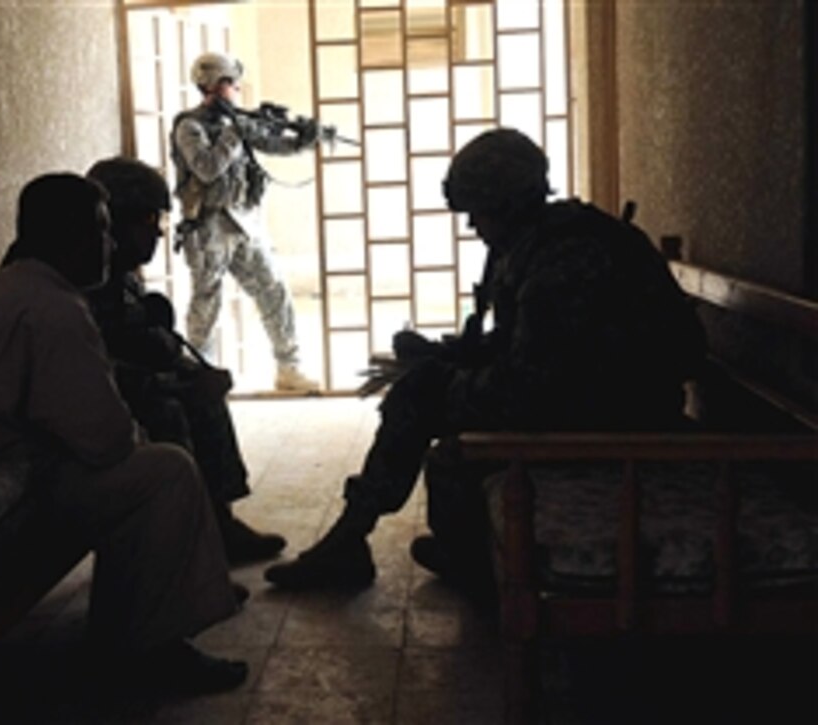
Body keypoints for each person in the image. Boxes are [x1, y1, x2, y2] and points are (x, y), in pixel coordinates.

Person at [265, 128, 707, 591]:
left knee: (422, 400)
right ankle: (424, 547)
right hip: (590, 397)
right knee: (430, 387)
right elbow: (529, 348)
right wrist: (447, 355)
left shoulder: (567, 258)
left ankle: (359, 543)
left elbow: (534, 382)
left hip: (618, 412)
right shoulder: (537, 240)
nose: (473, 225)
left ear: (508, 204)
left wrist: (442, 378)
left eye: (478, 212)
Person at [0, 173, 247, 698]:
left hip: (3, 465)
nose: (110, 244)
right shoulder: (54, 309)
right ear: (68, 235)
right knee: (164, 473)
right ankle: (150, 650)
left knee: (146, 464)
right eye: (102, 230)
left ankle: (129, 631)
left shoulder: (18, 286)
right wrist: (138, 436)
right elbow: (103, 438)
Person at [84, 156, 286, 565]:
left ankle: (218, 524)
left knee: (200, 386)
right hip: (93, 409)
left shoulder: (117, 272)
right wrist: (176, 383)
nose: (157, 234)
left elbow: (141, 341)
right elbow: (95, 373)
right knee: (171, 408)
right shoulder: (82, 282)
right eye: (146, 220)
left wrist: (187, 370)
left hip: (115, 394)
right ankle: (191, 545)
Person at [170, 51, 320, 393]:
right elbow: (207, 168)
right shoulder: (189, 127)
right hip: (207, 226)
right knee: (206, 302)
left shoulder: (233, 122)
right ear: (213, 85)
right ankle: (198, 375)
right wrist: (235, 134)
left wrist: (303, 140)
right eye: (230, 83)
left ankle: (289, 368)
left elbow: (270, 144)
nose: (236, 89)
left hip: (242, 223)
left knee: (273, 291)